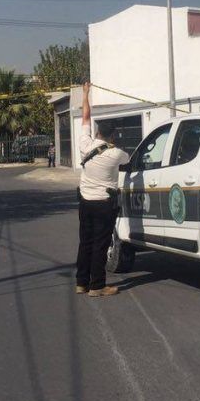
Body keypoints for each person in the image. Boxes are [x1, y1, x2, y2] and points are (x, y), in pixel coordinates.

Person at [75, 82, 130, 297]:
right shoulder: (116, 154)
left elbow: (85, 116)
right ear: (112, 136)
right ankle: (97, 286)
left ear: (97, 132)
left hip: (85, 202)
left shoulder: (85, 145)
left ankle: (81, 283)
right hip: (104, 204)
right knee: (100, 245)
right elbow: (129, 161)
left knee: (85, 243)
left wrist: (85, 93)